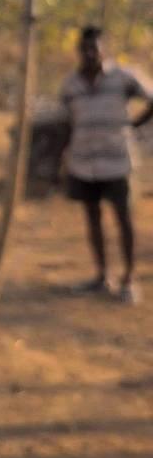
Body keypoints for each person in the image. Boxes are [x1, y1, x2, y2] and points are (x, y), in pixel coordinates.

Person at [60, 25, 153, 304]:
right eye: (86, 49)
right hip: (83, 163)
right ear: (79, 51)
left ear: (103, 50)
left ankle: (128, 279)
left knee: (124, 219)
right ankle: (102, 275)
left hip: (117, 162)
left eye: (95, 49)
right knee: (93, 219)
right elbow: (66, 122)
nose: (91, 54)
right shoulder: (70, 84)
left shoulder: (123, 78)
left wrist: (135, 124)